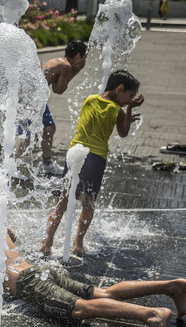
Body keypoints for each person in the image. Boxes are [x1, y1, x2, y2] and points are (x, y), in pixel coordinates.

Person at [0, 205, 186, 327]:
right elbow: (10, 236)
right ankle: (171, 286)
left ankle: (151, 315)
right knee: (104, 293)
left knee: (81, 310)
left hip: (29, 283)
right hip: (40, 270)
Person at [40, 70, 144, 256]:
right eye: (130, 96)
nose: (129, 100)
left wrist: (126, 108)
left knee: (64, 199)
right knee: (88, 203)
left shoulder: (90, 100)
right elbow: (123, 132)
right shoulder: (117, 111)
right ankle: (78, 243)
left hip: (74, 154)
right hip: (95, 158)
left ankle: (47, 243)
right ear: (119, 89)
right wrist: (128, 111)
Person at [28, 40, 88, 176]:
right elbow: (59, 90)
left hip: (33, 97)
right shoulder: (66, 66)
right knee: (29, 136)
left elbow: (55, 87)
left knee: (49, 128)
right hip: (31, 98)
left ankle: (47, 163)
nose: (85, 60)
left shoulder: (60, 62)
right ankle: (9, 168)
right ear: (78, 56)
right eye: (85, 57)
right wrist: (77, 70)